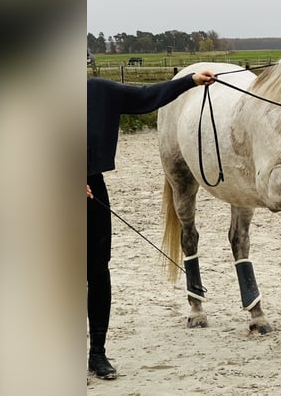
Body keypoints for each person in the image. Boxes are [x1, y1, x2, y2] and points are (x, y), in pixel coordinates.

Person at [87, 71, 216, 379]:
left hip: (92, 189)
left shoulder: (99, 91)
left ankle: (97, 353)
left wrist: (190, 81)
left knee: (97, 272)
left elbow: (147, 96)